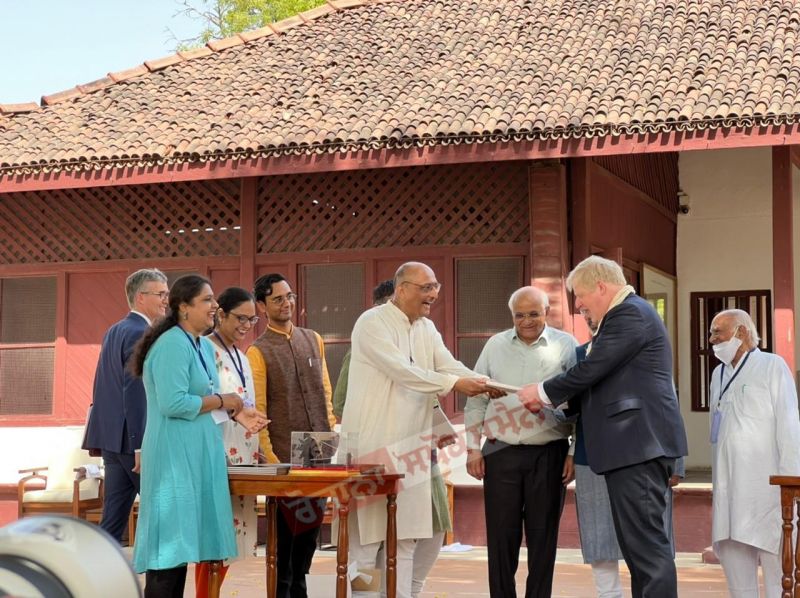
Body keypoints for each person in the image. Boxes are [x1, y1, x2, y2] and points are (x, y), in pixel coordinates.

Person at [518, 255, 688, 598]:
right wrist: (557, 405)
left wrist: (542, 390)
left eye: (580, 295)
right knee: (639, 551)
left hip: (638, 447)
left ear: (601, 286)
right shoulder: (623, 318)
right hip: (630, 450)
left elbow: (592, 369)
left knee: (648, 551)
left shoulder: (630, 314)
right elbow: (601, 383)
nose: (578, 304)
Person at [340, 261, 494, 598]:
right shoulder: (371, 323)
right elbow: (403, 371)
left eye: (435, 286)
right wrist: (458, 383)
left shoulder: (426, 328)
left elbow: (448, 364)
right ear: (401, 288)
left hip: (413, 450)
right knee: (366, 545)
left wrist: (486, 383)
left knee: (407, 538)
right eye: (425, 288)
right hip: (371, 448)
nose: (434, 294)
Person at [130, 274, 267, 598]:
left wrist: (237, 410)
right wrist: (224, 401)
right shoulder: (171, 344)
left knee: (184, 551)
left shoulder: (203, 346)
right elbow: (173, 402)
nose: (214, 306)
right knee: (168, 554)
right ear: (182, 307)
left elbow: (206, 395)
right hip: (173, 458)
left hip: (198, 454)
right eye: (206, 300)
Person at [334, 278, 447, 598]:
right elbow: (342, 404)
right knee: (366, 551)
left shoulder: (423, 345)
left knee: (411, 543)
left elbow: (432, 398)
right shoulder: (363, 352)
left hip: (417, 461)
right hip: (371, 458)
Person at [464, 286, 577, 598]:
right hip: (500, 453)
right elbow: (476, 400)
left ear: (546, 313)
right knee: (502, 538)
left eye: (533, 314)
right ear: (511, 315)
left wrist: (574, 451)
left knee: (543, 537)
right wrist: (473, 447)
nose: (526, 321)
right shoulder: (494, 345)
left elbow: (582, 401)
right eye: (519, 315)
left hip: (550, 454)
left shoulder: (566, 346)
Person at [569, 308, 684, 598]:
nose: (588, 314)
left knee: (645, 541)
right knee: (600, 537)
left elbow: (666, 402)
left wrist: (676, 464)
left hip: (641, 453)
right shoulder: (579, 355)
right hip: (591, 454)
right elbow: (571, 407)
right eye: (584, 311)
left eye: (590, 308)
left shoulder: (641, 349)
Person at [246, 273, 336, 598]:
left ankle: (299, 589)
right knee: (286, 541)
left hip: (320, 454)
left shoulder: (313, 339)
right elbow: (258, 408)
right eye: (277, 299)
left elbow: (324, 392)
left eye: (290, 297)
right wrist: (271, 460)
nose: (287, 304)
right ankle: (284, 591)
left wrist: (331, 435)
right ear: (262, 305)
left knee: (310, 535)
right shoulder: (258, 351)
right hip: (284, 457)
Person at [708, 309, 800, 598]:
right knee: (738, 580)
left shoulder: (772, 365)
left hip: (767, 490)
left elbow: (789, 425)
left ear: (741, 332)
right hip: (728, 489)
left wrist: (791, 481)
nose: (712, 339)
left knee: (779, 576)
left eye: (717, 332)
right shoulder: (717, 374)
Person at [83, 268, 169, 543]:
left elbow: (101, 383)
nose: (166, 300)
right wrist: (140, 445)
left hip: (111, 439)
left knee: (113, 518)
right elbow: (135, 392)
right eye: (161, 294)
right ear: (141, 297)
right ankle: (160, 580)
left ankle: (94, 575)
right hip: (134, 444)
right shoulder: (141, 332)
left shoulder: (115, 330)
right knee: (163, 512)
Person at [194, 287, 264, 598]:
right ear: (220, 313)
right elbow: (202, 400)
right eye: (240, 318)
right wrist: (234, 411)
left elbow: (244, 399)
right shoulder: (204, 349)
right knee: (214, 537)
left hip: (242, 447)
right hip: (215, 448)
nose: (246, 325)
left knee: (230, 538)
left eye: (252, 320)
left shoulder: (240, 353)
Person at [332, 279, 395, 419]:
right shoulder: (360, 349)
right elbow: (340, 404)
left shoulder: (416, 344)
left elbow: (430, 400)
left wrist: (441, 432)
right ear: (376, 309)